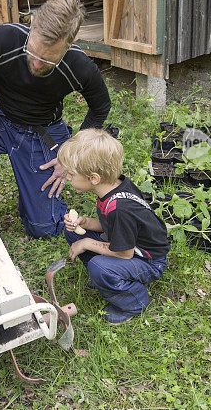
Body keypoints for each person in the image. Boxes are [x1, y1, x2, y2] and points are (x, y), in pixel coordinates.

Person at [0, 0, 111, 239]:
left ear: (71, 42)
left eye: (47, 59)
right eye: (33, 52)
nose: (36, 64)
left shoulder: (80, 67)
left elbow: (100, 108)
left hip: (43, 130)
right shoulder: (3, 38)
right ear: (32, 23)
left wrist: (70, 154)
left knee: (45, 229)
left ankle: (38, 201)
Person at [58, 129, 169, 325]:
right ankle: (109, 277)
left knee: (98, 265)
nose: (67, 177)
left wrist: (87, 242)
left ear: (93, 178)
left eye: (70, 174)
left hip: (149, 260)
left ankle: (133, 301)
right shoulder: (113, 188)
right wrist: (84, 222)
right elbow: (107, 225)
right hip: (126, 244)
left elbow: (125, 253)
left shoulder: (120, 209)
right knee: (74, 234)